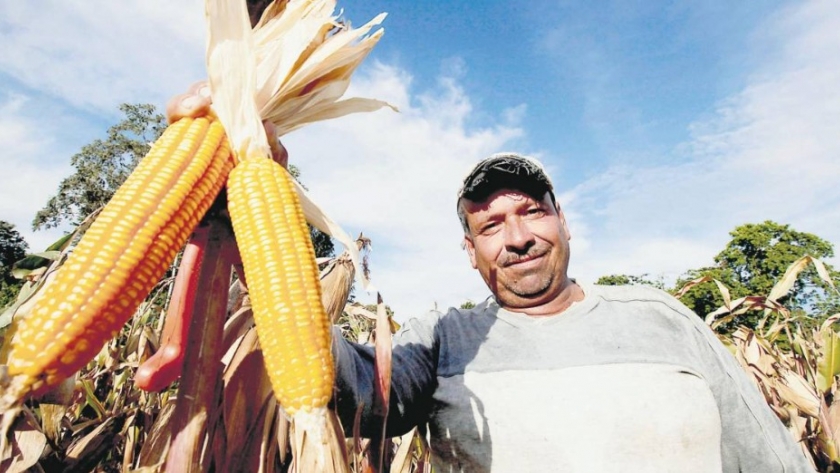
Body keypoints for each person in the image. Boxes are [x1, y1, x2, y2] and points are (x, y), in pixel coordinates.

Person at [167, 89, 813, 472]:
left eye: (533, 211)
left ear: (563, 221)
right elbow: (349, 388)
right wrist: (247, 218)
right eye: (492, 224)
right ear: (470, 251)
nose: (518, 236)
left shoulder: (665, 319)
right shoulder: (445, 341)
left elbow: (774, 460)